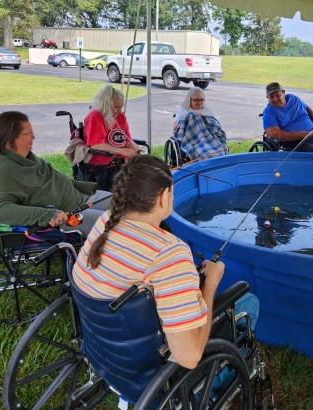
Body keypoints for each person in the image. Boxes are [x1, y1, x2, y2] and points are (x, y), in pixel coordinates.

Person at [72, 154, 258, 369]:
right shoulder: (169, 253)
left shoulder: (105, 221)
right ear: (163, 196)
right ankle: (221, 383)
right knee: (249, 302)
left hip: (104, 352)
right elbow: (189, 358)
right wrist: (211, 282)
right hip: (148, 370)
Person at [0, 111, 111, 237]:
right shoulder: (1, 169)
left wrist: (81, 186)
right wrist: (48, 215)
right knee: (119, 225)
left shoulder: (26, 157)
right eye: (29, 134)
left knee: (127, 205)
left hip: (81, 197)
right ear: (11, 138)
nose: (34, 137)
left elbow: (52, 180)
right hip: (68, 216)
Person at [83, 85, 142, 190]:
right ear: (105, 105)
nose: (120, 111)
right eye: (116, 107)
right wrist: (121, 151)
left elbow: (127, 139)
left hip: (120, 162)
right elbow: (96, 145)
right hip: (102, 165)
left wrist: (135, 148)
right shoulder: (95, 116)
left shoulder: (120, 117)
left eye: (121, 107)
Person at [262, 82, 313, 154]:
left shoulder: (293, 99)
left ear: (283, 93)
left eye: (277, 95)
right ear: (267, 98)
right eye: (271, 97)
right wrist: (298, 135)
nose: (275, 99)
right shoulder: (269, 112)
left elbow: (306, 108)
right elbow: (273, 133)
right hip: (297, 142)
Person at [173, 88, 228, 160]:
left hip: (210, 139)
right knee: (206, 154)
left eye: (201, 100)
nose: (199, 102)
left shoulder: (207, 111)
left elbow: (216, 126)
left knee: (221, 151)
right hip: (192, 140)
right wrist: (187, 119)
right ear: (189, 99)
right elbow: (174, 127)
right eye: (196, 100)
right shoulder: (183, 110)